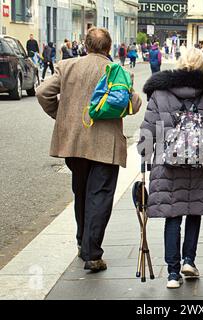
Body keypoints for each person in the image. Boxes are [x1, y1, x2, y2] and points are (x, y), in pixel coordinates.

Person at [36, 27, 142, 272]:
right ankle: (92, 253)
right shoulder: (117, 72)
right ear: (109, 47)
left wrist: (62, 117)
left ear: (85, 46)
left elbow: (43, 93)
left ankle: (82, 242)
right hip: (105, 145)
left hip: (74, 142)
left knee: (81, 192)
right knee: (100, 196)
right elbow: (135, 104)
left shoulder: (68, 66)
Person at [137, 47, 203, 289]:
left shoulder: (160, 92)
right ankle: (189, 260)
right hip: (200, 163)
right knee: (194, 211)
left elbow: (148, 129)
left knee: (173, 215)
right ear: (202, 66)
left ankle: (173, 274)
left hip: (168, 163)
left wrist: (144, 157)